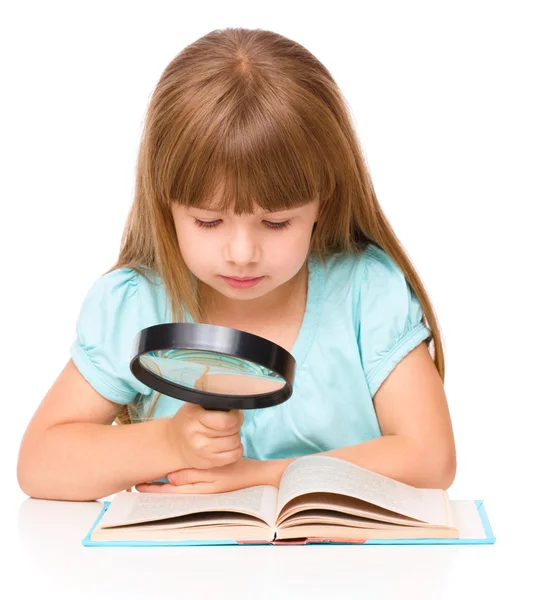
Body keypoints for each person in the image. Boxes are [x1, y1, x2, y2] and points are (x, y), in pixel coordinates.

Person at [17, 27, 456, 502]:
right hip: (181, 576)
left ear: (321, 207)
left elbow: (431, 459)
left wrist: (263, 475)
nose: (242, 253)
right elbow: (39, 464)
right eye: (208, 221)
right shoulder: (138, 303)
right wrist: (169, 442)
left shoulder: (366, 293)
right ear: (166, 206)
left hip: (339, 575)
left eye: (276, 222)